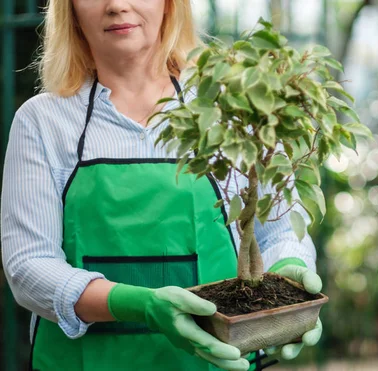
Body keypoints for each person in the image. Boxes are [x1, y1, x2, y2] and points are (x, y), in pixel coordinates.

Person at [1, 0, 323, 370]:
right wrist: (140, 305)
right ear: (69, 8)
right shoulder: (44, 121)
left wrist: (288, 278)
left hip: (217, 360)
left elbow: (280, 227)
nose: (117, 5)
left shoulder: (234, 106)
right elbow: (29, 266)